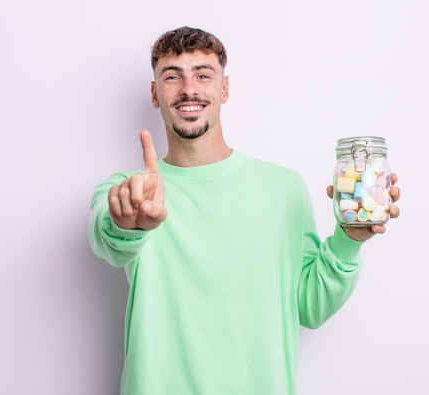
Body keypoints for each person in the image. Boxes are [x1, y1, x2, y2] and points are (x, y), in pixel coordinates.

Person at [89, 26, 401, 395]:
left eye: (203, 74)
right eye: (173, 76)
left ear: (224, 89)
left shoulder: (283, 188)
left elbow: (311, 307)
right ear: (156, 94)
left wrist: (348, 240)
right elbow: (110, 236)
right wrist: (128, 224)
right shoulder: (129, 191)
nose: (189, 88)